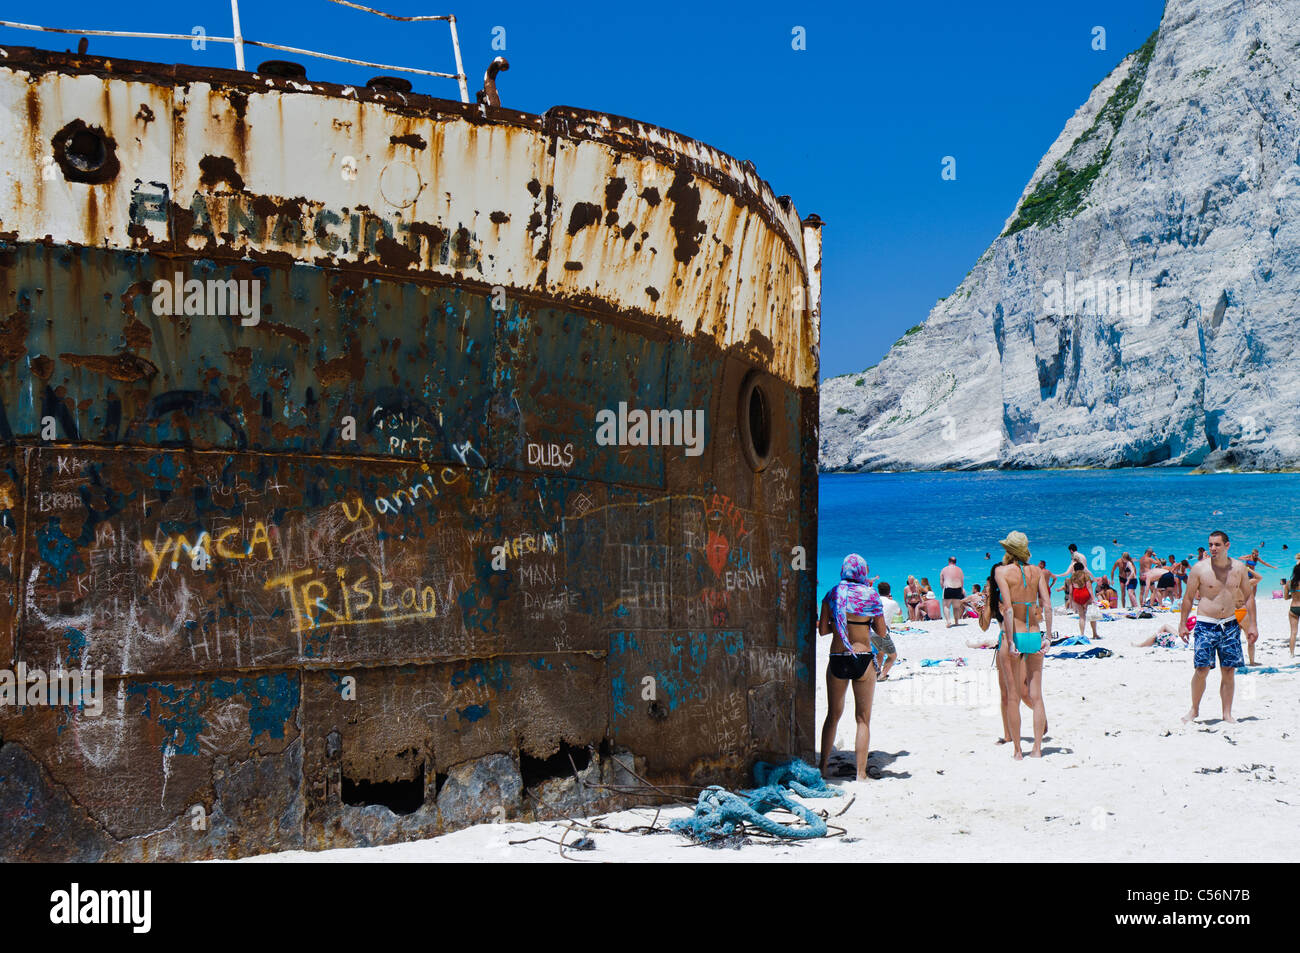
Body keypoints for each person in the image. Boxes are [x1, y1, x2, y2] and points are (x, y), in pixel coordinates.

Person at [818, 554, 887, 781]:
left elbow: (823, 631)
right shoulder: (870, 595)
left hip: (838, 656)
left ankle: (822, 768)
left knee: (833, 716)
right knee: (862, 719)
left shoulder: (832, 594)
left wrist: (839, 624)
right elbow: (882, 632)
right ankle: (860, 774)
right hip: (863, 658)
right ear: (861, 572)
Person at [1180, 531, 1257, 724]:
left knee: (1229, 670)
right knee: (1201, 669)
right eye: (1210, 545)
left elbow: (1248, 596)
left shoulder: (1239, 568)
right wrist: (1182, 623)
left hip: (1230, 624)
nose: (1213, 548)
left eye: (1217, 545)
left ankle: (1227, 713)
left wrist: (1253, 625)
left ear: (1227, 545)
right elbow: (1188, 597)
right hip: (1206, 624)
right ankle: (1194, 709)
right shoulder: (1199, 569)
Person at [993, 531, 1052, 759]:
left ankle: (1018, 750)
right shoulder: (1037, 571)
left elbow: (1007, 609)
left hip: (1014, 634)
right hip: (1034, 634)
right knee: (1037, 695)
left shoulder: (1001, 572)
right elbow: (1047, 605)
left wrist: (1009, 640)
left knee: (1014, 696)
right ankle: (1037, 749)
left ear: (1008, 550)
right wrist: (1048, 637)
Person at [874, 582, 900, 679]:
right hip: (882, 632)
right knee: (893, 656)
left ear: (878, 591)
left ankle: (876, 673)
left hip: (871, 632)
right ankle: (882, 676)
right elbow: (899, 612)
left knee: (880, 652)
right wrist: (891, 600)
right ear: (889, 591)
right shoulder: (892, 602)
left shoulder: (875, 601)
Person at [1066, 558, 1094, 639]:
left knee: (1081, 616)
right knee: (1091, 614)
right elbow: (1089, 587)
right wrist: (1092, 598)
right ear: (1082, 568)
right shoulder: (1085, 575)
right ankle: (1094, 633)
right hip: (1085, 594)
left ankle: (1082, 634)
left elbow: (1070, 592)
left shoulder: (1072, 577)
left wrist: (1071, 603)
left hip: (1077, 595)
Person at [940, 556, 966, 627]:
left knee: (946, 606)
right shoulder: (960, 570)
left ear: (949, 561)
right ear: (955, 562)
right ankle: (956, 621)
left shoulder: (944, 569)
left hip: (948, 588)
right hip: (958, 588)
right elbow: (962, 581)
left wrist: (943, 589)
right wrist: (961, 590)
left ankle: (948, 621)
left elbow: (941, 581)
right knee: (956, 607)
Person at [1287, 557, 1300, 658]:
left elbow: (1286, 597)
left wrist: (1294, 594)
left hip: (1293, 608)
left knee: (1293, 632)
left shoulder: (1289, 583)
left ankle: (1291, 653)